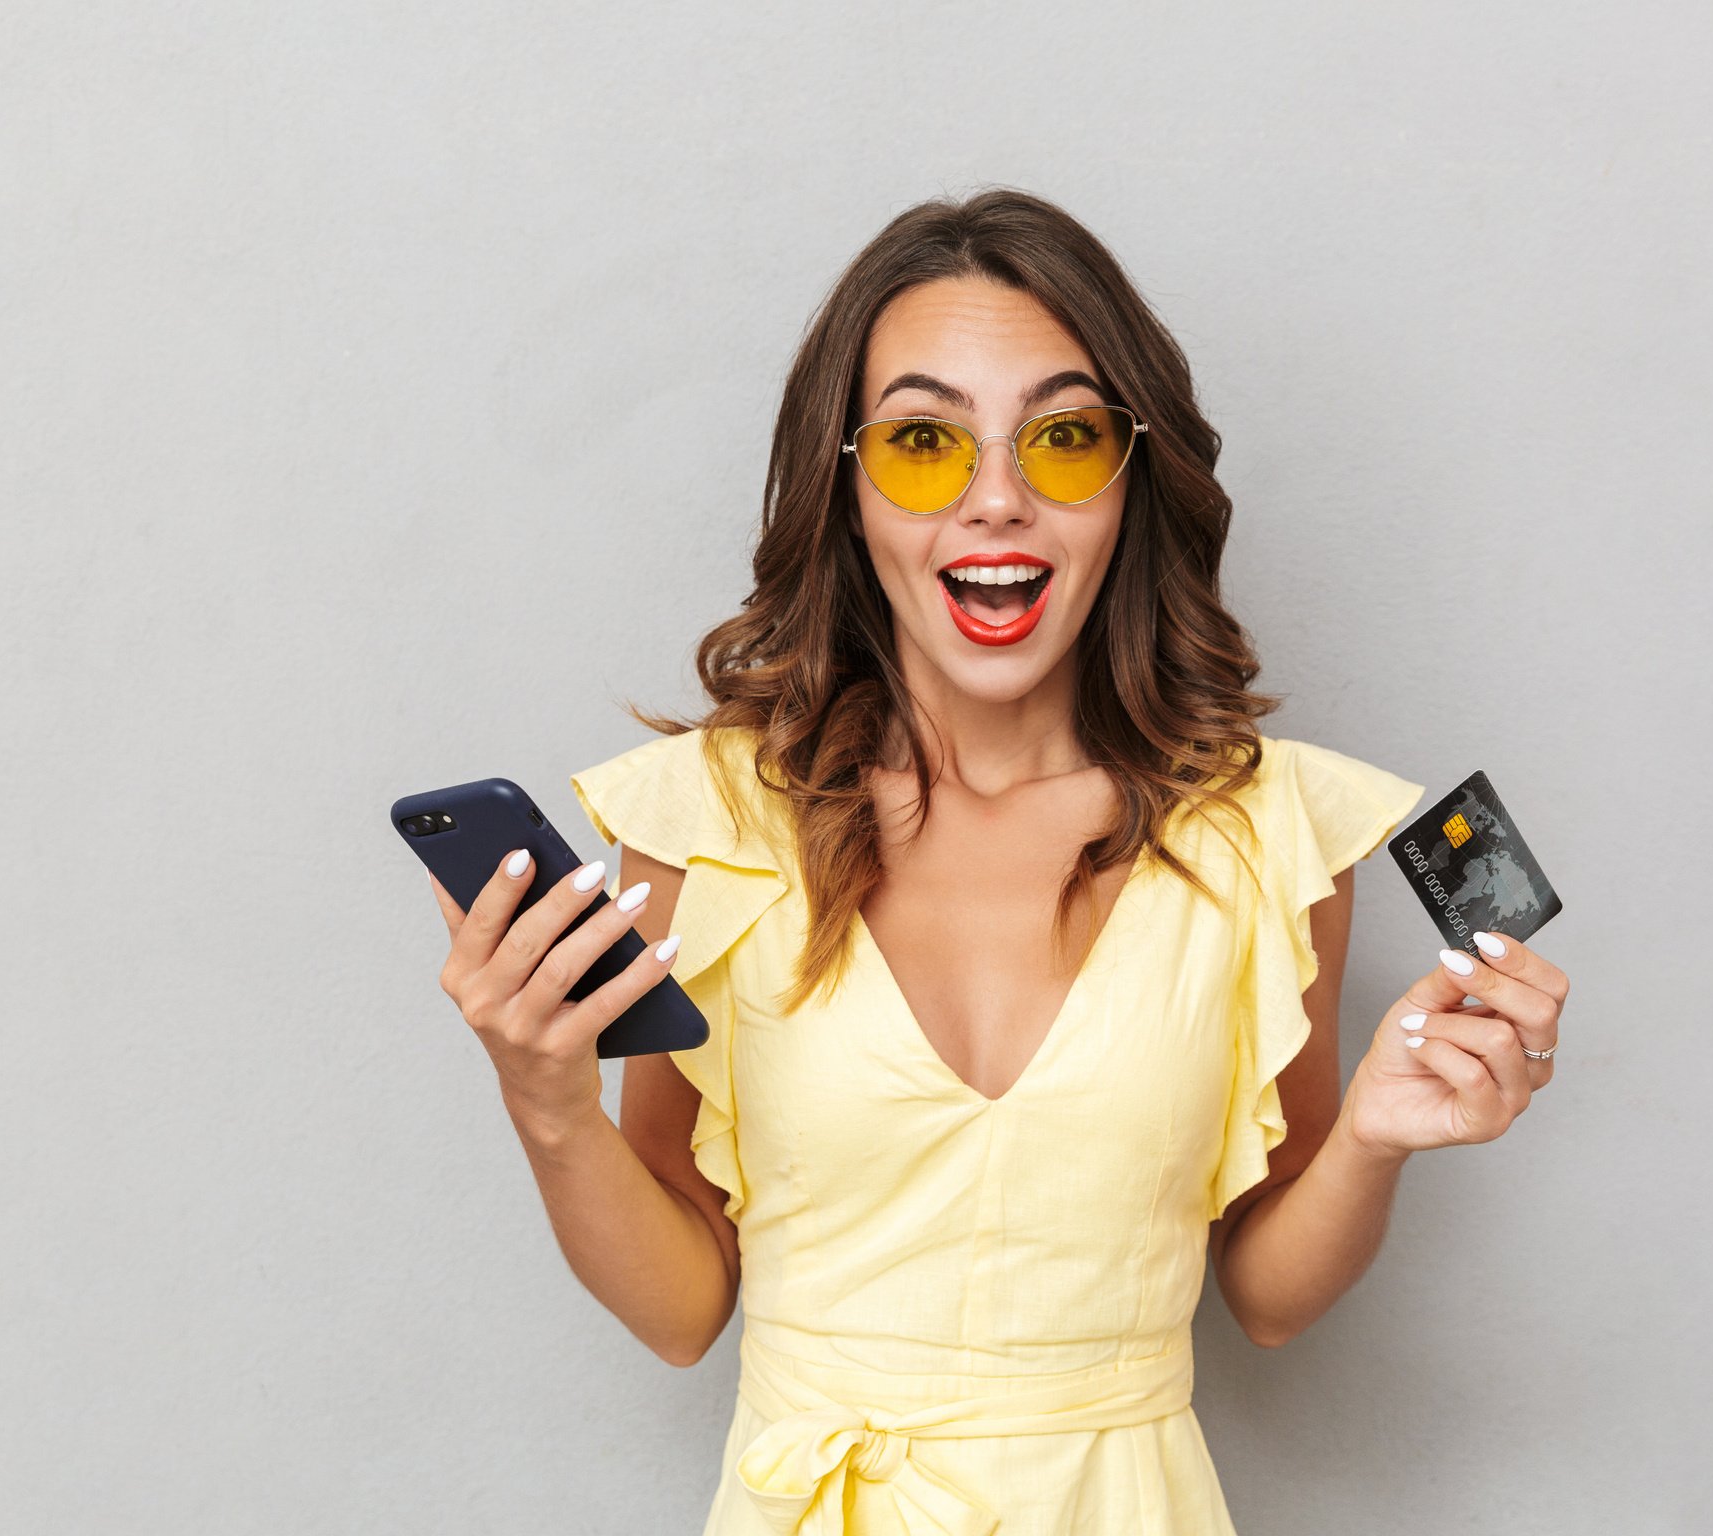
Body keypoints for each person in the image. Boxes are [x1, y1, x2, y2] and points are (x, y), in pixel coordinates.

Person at [427, 188, 1571, 1535]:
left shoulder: (1269, 837)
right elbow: (683, 1314)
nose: (998, 502)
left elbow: (1267, 1298)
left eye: (1065, 438)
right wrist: (546, 1100)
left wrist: (1378, 1138)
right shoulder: (705, 823)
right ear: (848, 487)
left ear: (1132, 480)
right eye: (923, 443)